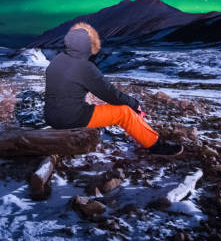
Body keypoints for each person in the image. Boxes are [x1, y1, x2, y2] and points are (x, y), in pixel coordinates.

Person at [44, 21, 183, 156]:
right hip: (70, 119)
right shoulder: (84, 67)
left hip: (51, 116)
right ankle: (154, 145)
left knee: (95, 105)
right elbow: (110, 93)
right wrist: (134, 104)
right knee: (125, 113)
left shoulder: (57, 60)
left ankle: (140, 135)